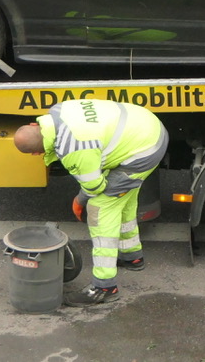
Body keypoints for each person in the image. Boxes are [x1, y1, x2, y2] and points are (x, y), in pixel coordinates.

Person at [13, 99, 169, 306]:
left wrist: (79, 201)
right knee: (124, 200)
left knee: (101, 210)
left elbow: (95, 187)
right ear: (35, 124)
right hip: (146, 126)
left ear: (36, 152)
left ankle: (105, 287)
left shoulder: (73, 149)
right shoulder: (59, 110)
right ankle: (132, 257)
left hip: (142, 150)